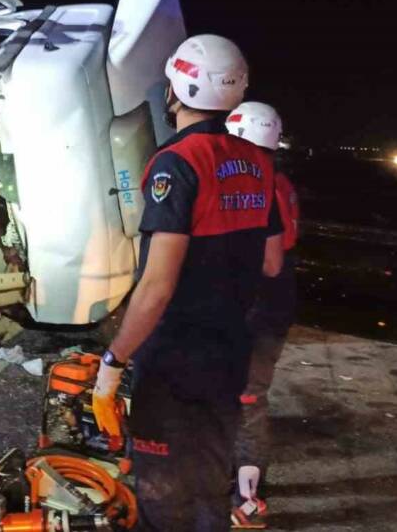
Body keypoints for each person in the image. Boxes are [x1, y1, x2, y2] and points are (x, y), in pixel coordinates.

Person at [91, 35, 284, 531]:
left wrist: (115, 360)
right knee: (209, 479)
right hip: (229, 349)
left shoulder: (176, 164)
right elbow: (269, 263)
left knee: (162, 493)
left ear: (176, 90)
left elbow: (157, 288)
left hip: (176, 357)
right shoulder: (261, 164)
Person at [225, 102, 299, 528]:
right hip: (275, 303)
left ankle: (248, 499)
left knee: (246, 400)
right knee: (248, 398)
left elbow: (259, 259)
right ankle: (242, 487)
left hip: (253, 306)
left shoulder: (255, 184)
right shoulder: (282, 180)